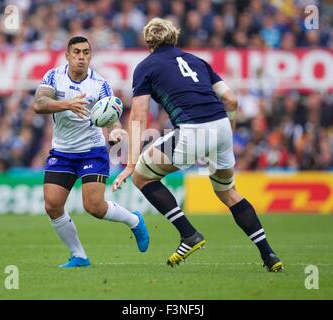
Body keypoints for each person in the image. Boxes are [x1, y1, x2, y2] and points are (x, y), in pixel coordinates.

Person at [113, 18, 283, 272]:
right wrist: (227, 135)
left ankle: (189, 234)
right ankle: (269, 255)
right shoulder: (198, 61)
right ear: (174, 37)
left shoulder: (145, 66)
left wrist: (130, 162)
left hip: (192, 131)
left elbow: (138, 115)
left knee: (142, 177)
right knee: (228, 192)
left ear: (148, 42)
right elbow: (231, 100)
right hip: (222, 127)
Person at [33, 36, 149, 268]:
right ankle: (79, 256)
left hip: (91, 151)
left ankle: (135, 221)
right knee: (52, 206)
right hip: (62, 151)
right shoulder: (54, 76)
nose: (81, 57)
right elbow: (39, 104)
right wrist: (67, 104)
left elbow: (112, 117)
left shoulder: (100, 84)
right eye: (76, 52)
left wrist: (115, 132)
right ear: (67, 55)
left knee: (94, 207)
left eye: (86, 52)